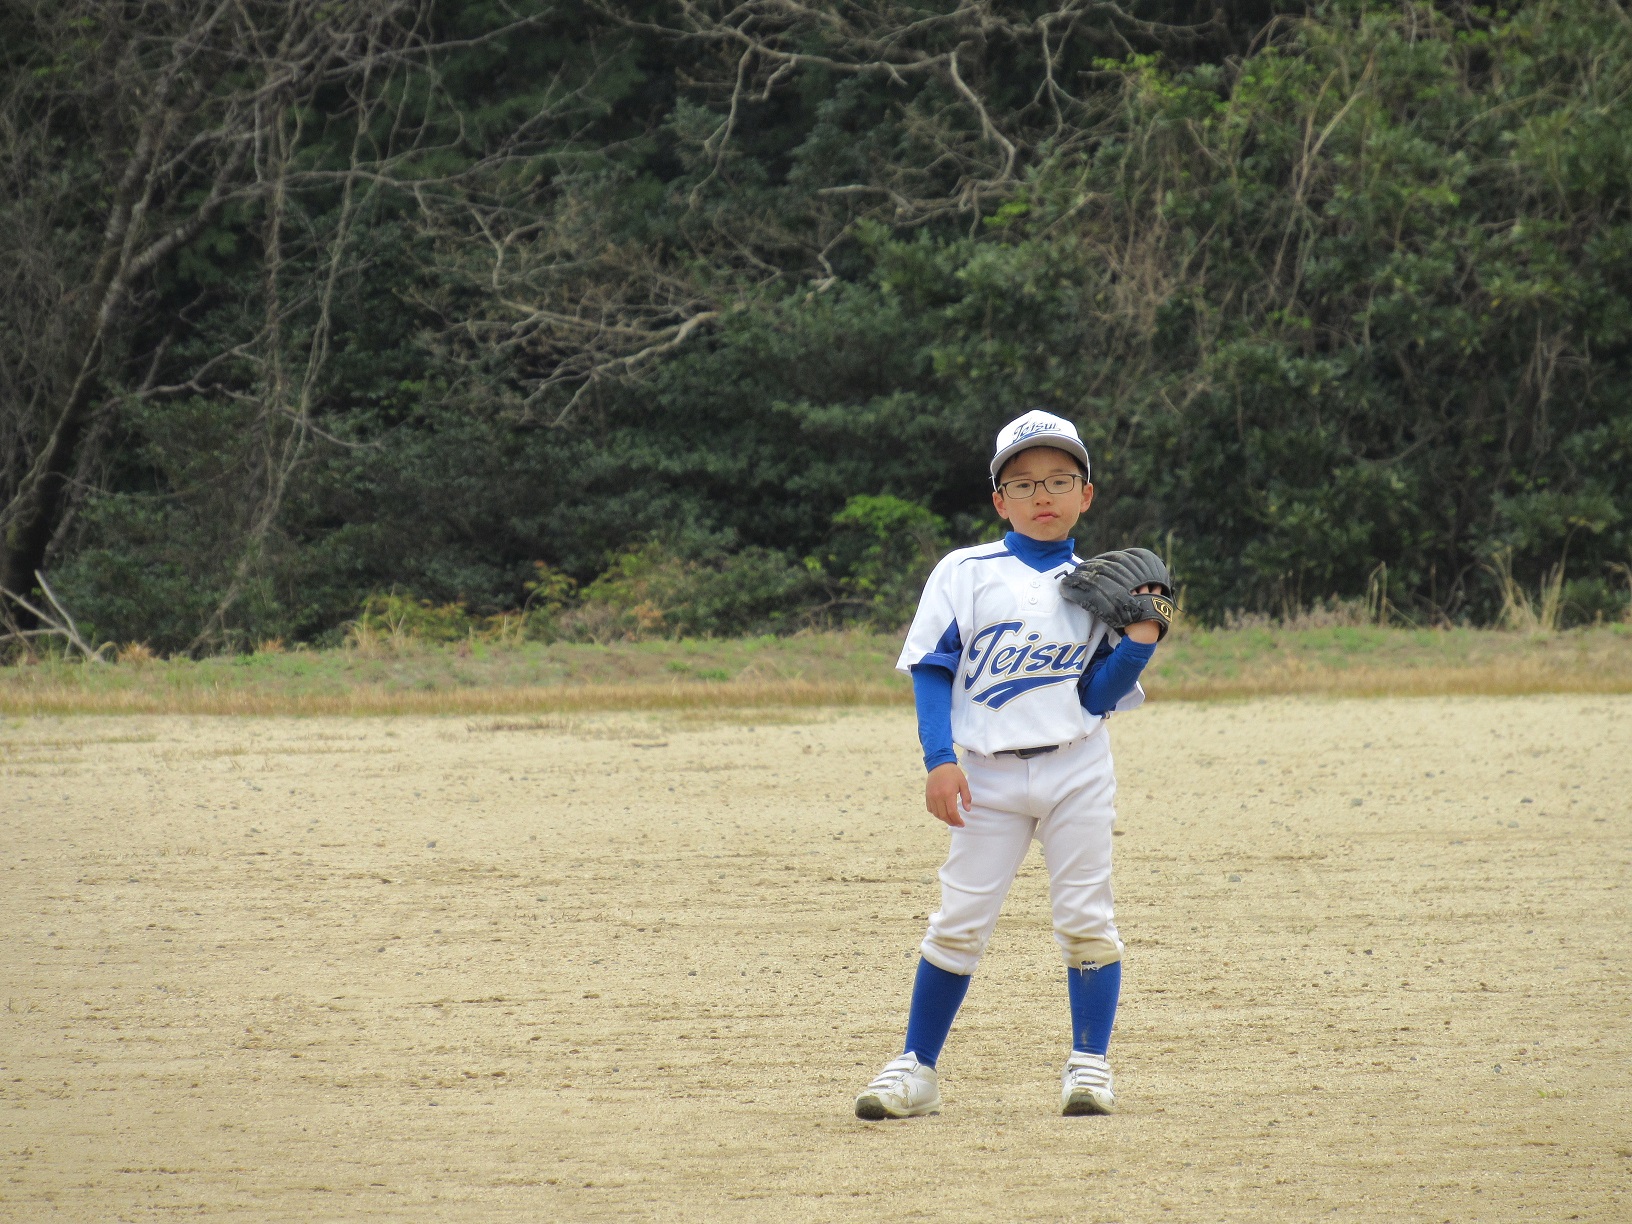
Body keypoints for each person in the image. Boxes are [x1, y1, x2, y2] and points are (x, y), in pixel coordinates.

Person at [854, 409, 1163, 1120]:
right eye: (1022, 484)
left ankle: (1089, 1065)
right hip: (986, 773)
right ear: (999, 501)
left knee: (1087, 918)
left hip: (1078, 768)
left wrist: (1140, 641)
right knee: (958, 921)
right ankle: (916, 1068)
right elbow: (932, 668)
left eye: (1059, 479)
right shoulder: (964, 572)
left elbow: (1097, 696)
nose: (1042, 494)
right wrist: (939, 759)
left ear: (1086, 494)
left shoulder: (1100, 584)